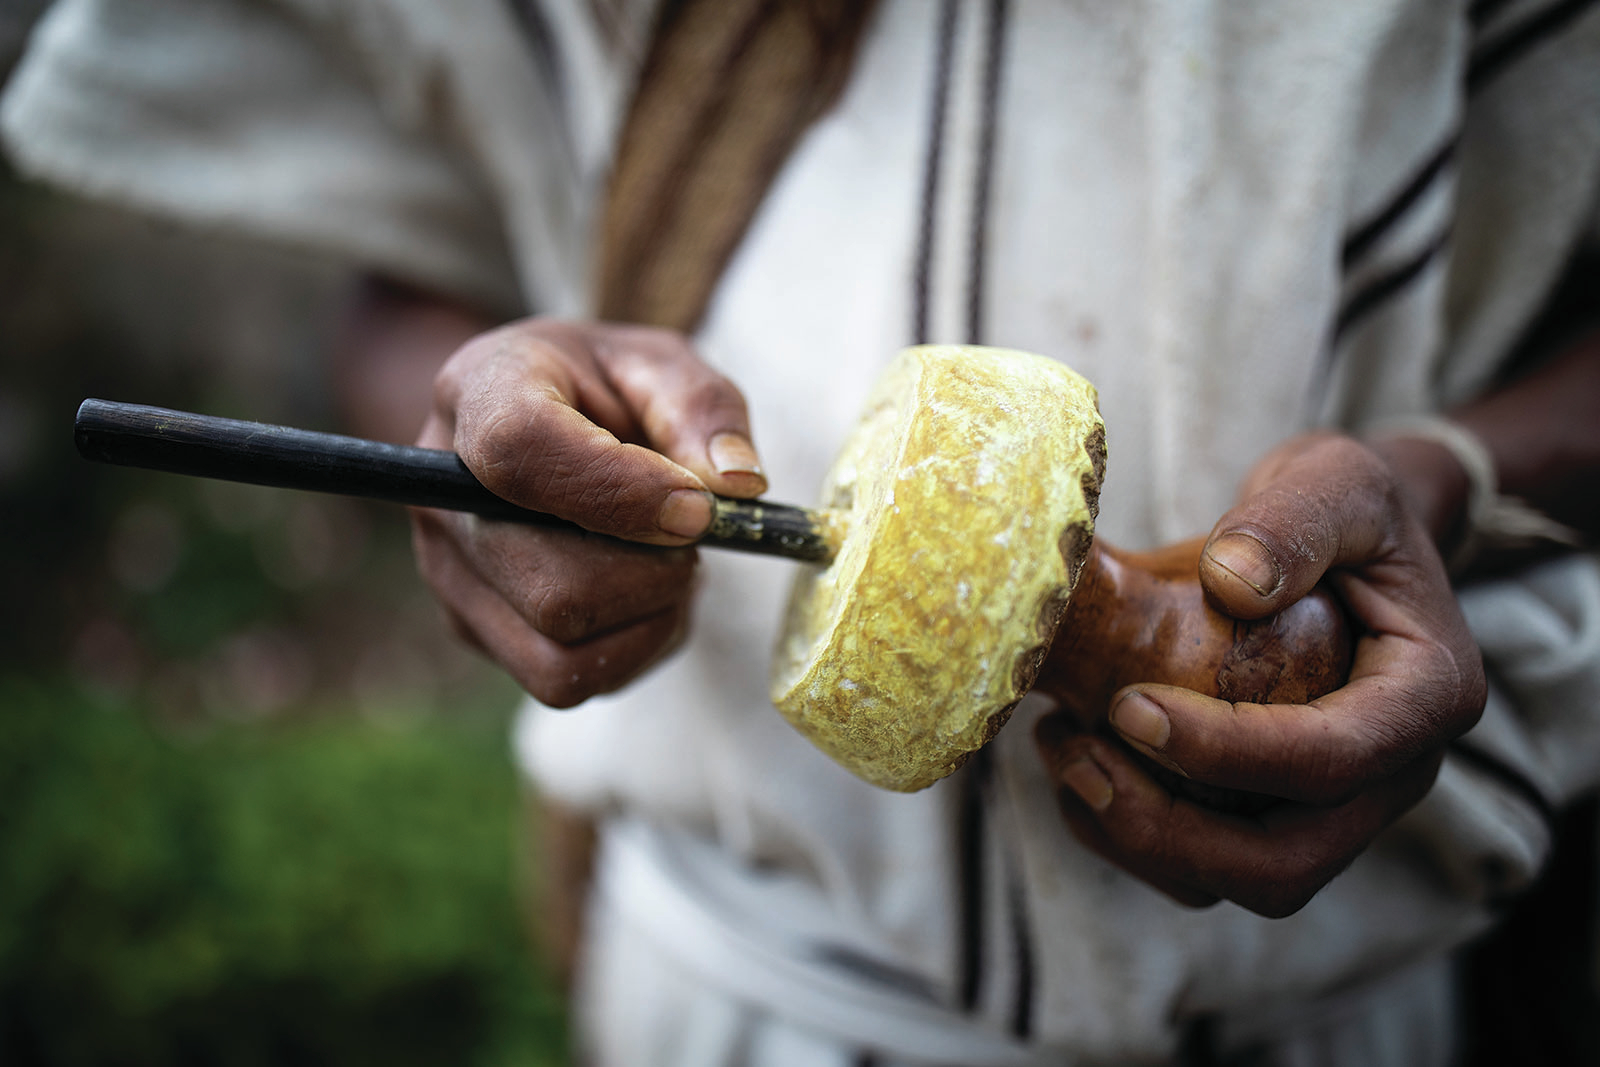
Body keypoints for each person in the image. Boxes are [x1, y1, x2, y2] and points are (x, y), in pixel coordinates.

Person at [6, 1, 1599, 1062]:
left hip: (1335, 1010)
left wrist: (1451, 469)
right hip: (735, 996)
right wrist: (466, 425)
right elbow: (402, 255)